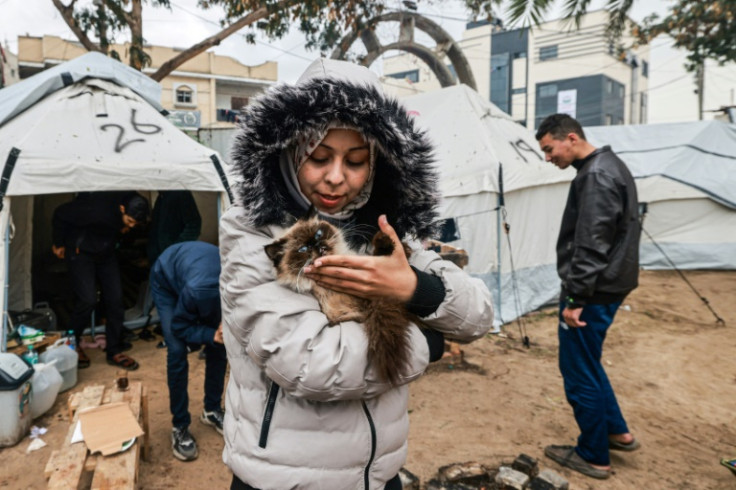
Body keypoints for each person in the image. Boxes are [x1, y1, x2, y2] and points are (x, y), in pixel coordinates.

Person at [219, 58, 493, 490]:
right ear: (291, 153)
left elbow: (478, 314)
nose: (335, 179)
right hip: (282, 477)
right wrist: (431, 341)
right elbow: (309, 362)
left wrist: (413, 288)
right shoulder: (256, 231)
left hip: (377, 473)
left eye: (356, 161)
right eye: (319, 157)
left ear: (376, 163)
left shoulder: (384, 228)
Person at [536, 114, 641, 480]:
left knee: (578, 370)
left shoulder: (596, 175)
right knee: (590, 362)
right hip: (610, 285)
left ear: (571, 138)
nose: (548, 157)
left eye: (550, 149)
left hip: (593, 291)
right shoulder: (609, 166)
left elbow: (592, 242)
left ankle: (594, 455)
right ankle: (617, 433)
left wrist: (575, 297)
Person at [52, 191, 149, 370]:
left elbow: (125, 229)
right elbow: (60, 213)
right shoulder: (95, 210)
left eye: (135, 224)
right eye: (129, 222)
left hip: (106, 253)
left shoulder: (132, 204)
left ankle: (113, 350)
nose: (131, 226)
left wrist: (124, 230)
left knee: (116, 300)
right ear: (121, 209)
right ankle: (72, 341)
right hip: (81, 252)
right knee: (87, 300)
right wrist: (58, 243)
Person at [149, 241, 227, 462]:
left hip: (196, 273)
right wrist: (210, 334)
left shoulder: (247, 286)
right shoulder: (200, 291)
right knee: (177, 349)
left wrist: (220, 333)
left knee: (221, 343)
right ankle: (180, 426)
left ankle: (211, 410)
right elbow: (180, 327)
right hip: (167, 279)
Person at [146, 190, 202, 265]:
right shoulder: (160, 198)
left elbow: (193, 226)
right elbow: (156, 231)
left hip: (174, 258)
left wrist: (174, 250)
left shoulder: (180, 193)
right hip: (161, 259)